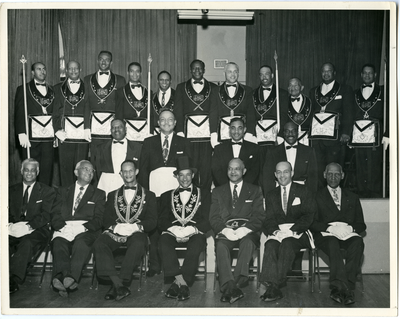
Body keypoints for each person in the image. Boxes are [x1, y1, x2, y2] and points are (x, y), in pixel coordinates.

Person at [93, 160, 157, 301]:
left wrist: (136, 226)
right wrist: (117, 226)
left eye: (130, 171)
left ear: (137, 172)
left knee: (138, 243)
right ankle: (118, 285)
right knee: (99, 243)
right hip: (116, 231)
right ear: (121, 173)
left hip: (137, 232)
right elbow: (106, 220)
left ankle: (118, 284)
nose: (128, 174)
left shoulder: (149, 195)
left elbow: (153, 221)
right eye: (125, 171)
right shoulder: (112, 195)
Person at [139, 108, 192, 277]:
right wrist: (145, 193)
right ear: (158, 122)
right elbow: (143, 169)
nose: (166, 122)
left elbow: (187, 170)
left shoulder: (184, 142)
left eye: (170, 119)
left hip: (174, 191)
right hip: (154, 190)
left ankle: (172, 266)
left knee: (172, 226)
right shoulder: (148, 142)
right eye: (163, 119)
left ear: (175, 123)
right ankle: (155, 265)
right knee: (154, 228)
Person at [209, 158, 265, 304]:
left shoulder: (254, 190)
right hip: (226, 232)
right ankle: (230, 285)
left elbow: (259, 216)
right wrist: (224, 230)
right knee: (220, 245)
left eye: (237, 169)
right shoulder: (217, 191)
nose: (233, 172)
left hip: (247, 232)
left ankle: (237, 283)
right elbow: (214, 217)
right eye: (230, 169)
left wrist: (245, 230)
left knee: (247, 243)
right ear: (227, 171)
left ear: (244, 171)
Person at [259, 161, 316, 302]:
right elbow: (268, 218)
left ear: (292, 173)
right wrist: (276, 232)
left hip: (299, 232)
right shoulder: (271, 194)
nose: (282, 175)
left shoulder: (303, 190)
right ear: (275, 175)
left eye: (285, 172)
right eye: (279, 172)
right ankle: (273, 286)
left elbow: (309, 215)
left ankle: (274, 284)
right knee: (270, 245)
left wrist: (293, 230)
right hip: (279, 232)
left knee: (288, 243)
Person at [310, 162, 366, 305]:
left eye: (336, 174)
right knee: (332, 242)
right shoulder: (316, 196)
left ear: (342, 176)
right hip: (326, 236)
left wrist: (350, 228)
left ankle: (342, 288)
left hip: (347, 235)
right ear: (324, 175)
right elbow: (312, 223)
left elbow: (361, 224)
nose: (333, 177)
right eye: (330, 174)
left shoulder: (352, 196)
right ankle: (344, 288)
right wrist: (329, 228)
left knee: (358, 242)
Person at [158, 156, 211, 301]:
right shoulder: (166, 196)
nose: (185, 179)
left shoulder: (204, 194)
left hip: (195, 232)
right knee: (163, 241)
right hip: (173, 232)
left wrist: (193, 229)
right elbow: (161, 220)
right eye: (181, 175)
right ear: (176, 176)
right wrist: (172, 228)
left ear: (193, 175)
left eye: (188, 175)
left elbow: (208, 220)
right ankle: (183, 283)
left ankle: (177, 283)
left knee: (197, 243)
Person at [51, 160, 105, 297]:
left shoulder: (99, 193)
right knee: (58, 243)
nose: (89, 172)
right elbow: (55, 213)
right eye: (86, 169)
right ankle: (67, 280)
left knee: (81, 242)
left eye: (92, 171)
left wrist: (83, 227)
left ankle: (66, 278)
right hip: (65, 226)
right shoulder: (62, 191)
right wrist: (61, 227)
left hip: (86, 230)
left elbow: (99, 218)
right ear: (76, 172)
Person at [8, 158, 56, 294]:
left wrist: (28, 227)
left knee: (27, 242)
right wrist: (10, 225)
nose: (29, 173)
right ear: (21, 171)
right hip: (14, 228)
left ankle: (13, 279)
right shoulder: (11, 190)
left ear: (38, 172)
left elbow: (46, 215)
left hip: (37, 230)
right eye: (26, 170)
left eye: (33, 170)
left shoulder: (47, 191)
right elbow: (5, 210)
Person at [174, 59, 218, 190]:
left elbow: (215, 111)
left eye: (200, 68)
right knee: (190, 166)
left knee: (206, 167)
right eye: (194, 68)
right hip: (188, 135)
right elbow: (178, 110)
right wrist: (180, 131)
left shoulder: (214, 88)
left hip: (206, 135)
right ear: (190, 70)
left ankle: (205, 196)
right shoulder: (181, 87)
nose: (197, 71)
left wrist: (214, 133)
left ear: (204, 70)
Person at [309, 62, 353, 187]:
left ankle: (335, 195)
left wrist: (346, 132)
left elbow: (349, 112)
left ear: (334, 73)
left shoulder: (345, 89)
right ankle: (320, 196)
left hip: (335, 138)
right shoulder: (313, 91)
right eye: (324, 71)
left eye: (329, 71)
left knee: (334, 169)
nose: (326, 73)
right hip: (317, 139)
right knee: (318, 169)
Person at [14, 62, 55, 185]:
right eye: (38, 69)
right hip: (31, 137)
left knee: (47, 169)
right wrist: (21, 132)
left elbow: (56, 113)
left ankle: (45, 197)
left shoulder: (52, 90)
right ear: (32, 73)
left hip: (48, 137)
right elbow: (19, 112)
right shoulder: (23, 89)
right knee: (31, 169)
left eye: (44, 69)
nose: (42, 72)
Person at [351, 64, 388, 197]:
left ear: (375, 75)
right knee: (360, 163)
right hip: (359, 134)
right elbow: (351, 115)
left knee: (374, 163)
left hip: (376, 134)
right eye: (365, 73)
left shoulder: (383, 91)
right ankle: (362, 192)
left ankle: (374, 192)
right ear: (361, 75)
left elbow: (389, 112)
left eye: (370, 73)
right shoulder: (354, 93)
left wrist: (387, 133)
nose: (367, 75)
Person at [53, 61, 90, 186]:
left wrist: (87, 129)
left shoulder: (88, 87)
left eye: (76, 68)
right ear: (66, 71)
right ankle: (66, 199)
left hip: (82, 136)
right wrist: (57, 129)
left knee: (82, 168)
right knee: (65, 169)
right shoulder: (58, 88)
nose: (73, 71)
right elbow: (55, 111)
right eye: (70, 68)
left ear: (80, 69)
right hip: (65, 135)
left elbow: (89, 109)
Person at [84, 51, 126, 159]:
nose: (104, 62)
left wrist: (119, 127)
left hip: (111, 126)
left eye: (107, 59)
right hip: (94, 126)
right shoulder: (87, 79)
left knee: (110, 157)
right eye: (101, 59)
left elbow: (121, 106)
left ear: (111, 63)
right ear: (97, 61)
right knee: (94, 157)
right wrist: (86, 127)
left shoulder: (120, 80)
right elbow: (86, 103)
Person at [261, 121, 318, 196]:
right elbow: (267, 177)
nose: (290, 134)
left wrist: (311, 197)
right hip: (280, 191)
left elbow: (313, 178)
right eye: (287, 131)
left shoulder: (309, 151)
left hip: (302, 192)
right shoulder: (273, 152)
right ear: (283, 133)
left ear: (297, 133)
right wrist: (270, 197)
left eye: (293, 131)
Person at [209, 62, 256, 148]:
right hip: (222, 133)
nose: (233, 74)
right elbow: (213, 114)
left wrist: (249, 133)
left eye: (235, 71)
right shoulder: (216, 91)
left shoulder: (247, 90)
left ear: (238, 73)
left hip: (242, 133)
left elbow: (251, 113)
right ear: (224, 73)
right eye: (230, 71)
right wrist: (213, 134)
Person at [93, 118, 142, 196]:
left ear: (125, 129)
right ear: (110, 130)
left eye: (120, 127)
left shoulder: (138, 148)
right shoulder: (100, 148)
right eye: (113, 127)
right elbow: (97, 171)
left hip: (129, 185)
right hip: (106, 186)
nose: (116, 129)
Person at [212, 117, 261, 187]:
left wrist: (241, 188)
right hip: (225, 189)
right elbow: (217, 172)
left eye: (239, 128)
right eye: (233, 128)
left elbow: (255, 171)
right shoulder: (219, 149)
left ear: (244, 130)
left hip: (247, 189)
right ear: (229, 130)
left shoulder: (254, 148)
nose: (236, 131)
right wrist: (229, 188)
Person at [252, 65, 288, 150]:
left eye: (267, 74)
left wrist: (280, 135)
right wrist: (251, 134)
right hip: (258, 136)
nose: (264, 77)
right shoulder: (253, 93)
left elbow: (284, 116)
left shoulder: (282, 93)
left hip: (274, 135)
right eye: (261, 74)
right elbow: (251, 116)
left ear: (272, 75)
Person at [115, 62, 154, 140]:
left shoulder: (148, 92)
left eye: (137, 71)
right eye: (132, 71)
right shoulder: (121, 91)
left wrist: (151, 132)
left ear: (141, 73)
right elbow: (119, 114)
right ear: (128, 73)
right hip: (128, 132)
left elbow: (151, 115)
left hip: (144, 132)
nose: (135, 74)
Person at [286, 77, 313, 146]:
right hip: (290, 136)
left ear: (302, 87)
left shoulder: (310, 101)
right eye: (290, 85)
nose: (293, 88)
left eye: (296, 85)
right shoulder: (283, 102)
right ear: (288, 88)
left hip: (307, 137)